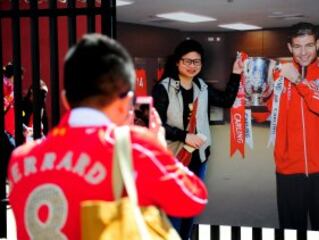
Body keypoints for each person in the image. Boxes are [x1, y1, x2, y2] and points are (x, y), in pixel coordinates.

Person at [7, 33, 208, 240]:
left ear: (65, 99)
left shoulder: (21, 159)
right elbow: (193, 198)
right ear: (125, 103)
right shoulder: (133, 148)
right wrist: (157, 144)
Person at [253, 22, 319, 231]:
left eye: (309, 45)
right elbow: (263, 114)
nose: (303, 52)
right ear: (289, 48)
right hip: (288, 171)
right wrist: (250, 90)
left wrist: (299, 81)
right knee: (291, 231)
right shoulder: (277, 75)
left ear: (318, 44)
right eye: (297, 46)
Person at [152, 39, 242, 239]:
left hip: (198, 158)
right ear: (177, 62)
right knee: (174, 208)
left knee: (191, 205)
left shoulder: (201, 86)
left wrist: (236, 73)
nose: (192, 66)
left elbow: (227, 100)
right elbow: (156, 125)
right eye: (188, 61)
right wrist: (185, 136)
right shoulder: (163, 88)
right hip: (173, 158)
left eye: (197, 62)